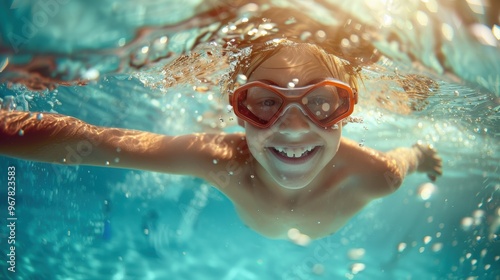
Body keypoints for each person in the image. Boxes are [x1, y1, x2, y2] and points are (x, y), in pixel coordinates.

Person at [0, 39, 442, 240]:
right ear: (238, 110)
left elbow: (399, 160)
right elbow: (97, 142)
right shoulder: (218, 158)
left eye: (323, 102)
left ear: (351, 108)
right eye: (263, 102)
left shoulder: (377, 175)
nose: (290, 127)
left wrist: (418, 155)